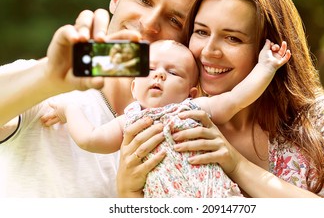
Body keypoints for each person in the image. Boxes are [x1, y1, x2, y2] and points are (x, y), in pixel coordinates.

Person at [116, 0, 324, 198]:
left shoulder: (315, 117)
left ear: (269, 47)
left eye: (232, 38)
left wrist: (237, 165)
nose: (209, 51)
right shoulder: (173, 113)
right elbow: (94, 64)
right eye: (201, 32)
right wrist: (128, 192)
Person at [0, 0, 220, 197]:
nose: (148, 24)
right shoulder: (47, 92)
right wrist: (48, 77)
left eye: (174, 20)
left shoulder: (187, 131)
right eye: (144, 0)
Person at [44, 39, 290, 197]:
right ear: (133, 88)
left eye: (173, 72)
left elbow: (236, 98)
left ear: (190, 92)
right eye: (149, 69)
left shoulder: (193, 107)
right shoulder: (129, 122)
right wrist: (68, 109)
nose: (159, 75)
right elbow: (90, 140)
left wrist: (266, 67)